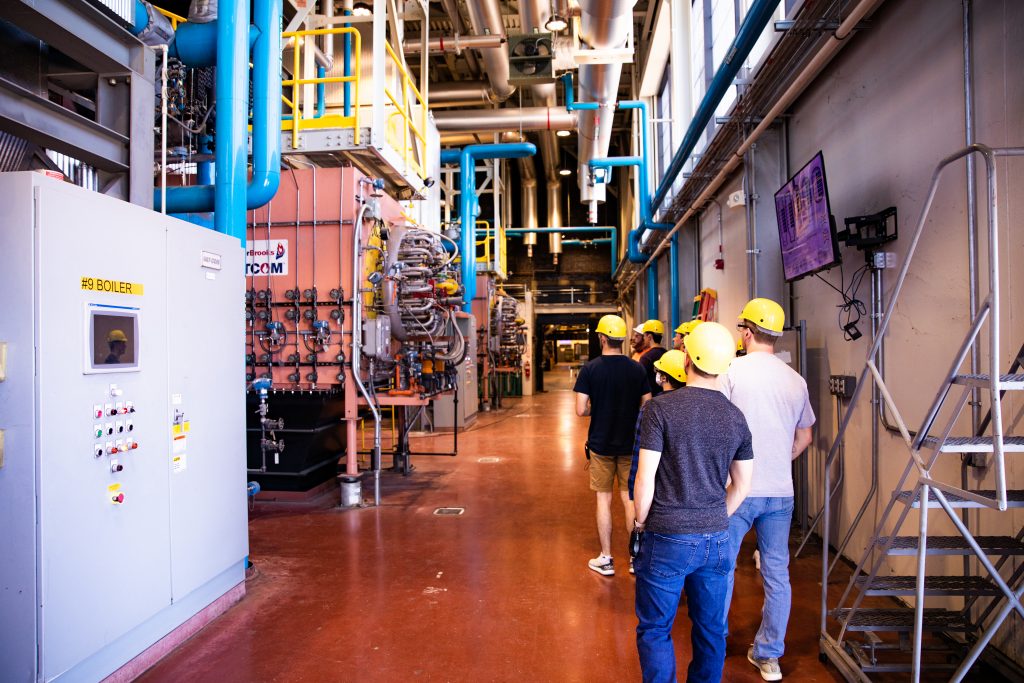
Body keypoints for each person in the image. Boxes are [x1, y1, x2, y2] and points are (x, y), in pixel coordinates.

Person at [633, 322, 754, 683]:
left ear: (687, 358)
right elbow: (743, 484)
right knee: (710, 630)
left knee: (656, 629)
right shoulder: (736, 417)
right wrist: (717, 516)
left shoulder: (661, 410)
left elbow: (645, 477)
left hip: (666, 534)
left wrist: (641, 521)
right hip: (716, 539)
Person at [719, 298, 815, 682]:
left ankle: (716, 638)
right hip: (780, 492)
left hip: (737, 489)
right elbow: (805, 436)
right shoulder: (795, 380)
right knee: (777, 573)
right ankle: (769, 656)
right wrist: (780, 456)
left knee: (722, 567)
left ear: (745, 332)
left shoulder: (732, 371)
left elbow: (719, 426)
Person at [574, 314, 651, 577]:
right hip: (631, 445)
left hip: (601, 445)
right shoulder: (638, 368)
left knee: (603, 499)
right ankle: (634, 558)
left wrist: (600, 407)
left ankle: (606, 558)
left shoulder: (590, 369)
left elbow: (580, 410)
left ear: (602, 338)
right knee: (629, 499)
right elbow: (648, 406)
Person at [625, 350, 684, 575]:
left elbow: (641, 466)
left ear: (664, 377)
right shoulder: (709, 407)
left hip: (661, 507)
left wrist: (639, 520)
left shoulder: (653, 409)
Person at [636, 320, 668, 396]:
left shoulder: (646, 358)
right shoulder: (667, 354)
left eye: (644, 336)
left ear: (649, 337)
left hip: (651, 400)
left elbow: (639, 382)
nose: (643, 339)